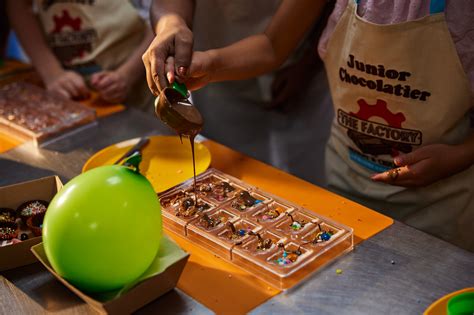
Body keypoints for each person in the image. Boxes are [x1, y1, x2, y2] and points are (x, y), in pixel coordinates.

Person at [145, 0, 474, 252]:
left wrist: (461, 155)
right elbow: (273, 45)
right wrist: (210, 62)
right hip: (346, 183)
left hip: (437, 209)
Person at [142, 0, 335, 186]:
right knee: (226, 175)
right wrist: (171, 24)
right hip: (218, 86)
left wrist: (308, 63)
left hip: (299, 77)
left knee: (304, 184)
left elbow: (272, 47)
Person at [6, 0, 153, 108]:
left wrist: (127, 75)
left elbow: (163, 19)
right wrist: (52, 72)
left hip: (138, 82)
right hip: (69, 94)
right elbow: (18, 6)